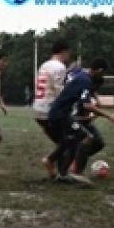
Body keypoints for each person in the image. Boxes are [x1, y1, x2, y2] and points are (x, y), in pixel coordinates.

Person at [47, 58, 114, 184]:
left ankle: (61, 169)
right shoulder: (85, 80)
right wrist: (109, 115)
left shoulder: (82, 76)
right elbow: (86, 105)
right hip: (61, 115)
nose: (103, 76)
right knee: (85, 138)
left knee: (73, 141)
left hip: (61, 113)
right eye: (103, 73)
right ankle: (74, 172)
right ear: (100, 70)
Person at [32, 40, 71, 178]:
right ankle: (50, 161)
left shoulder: (44, 65)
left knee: (62, 141)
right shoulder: (59, 67)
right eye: (68, 53)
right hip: (49, 110)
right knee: (70, 140)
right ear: (63, 51)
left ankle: (59, 172)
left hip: (38, 108)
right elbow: (59, 90)